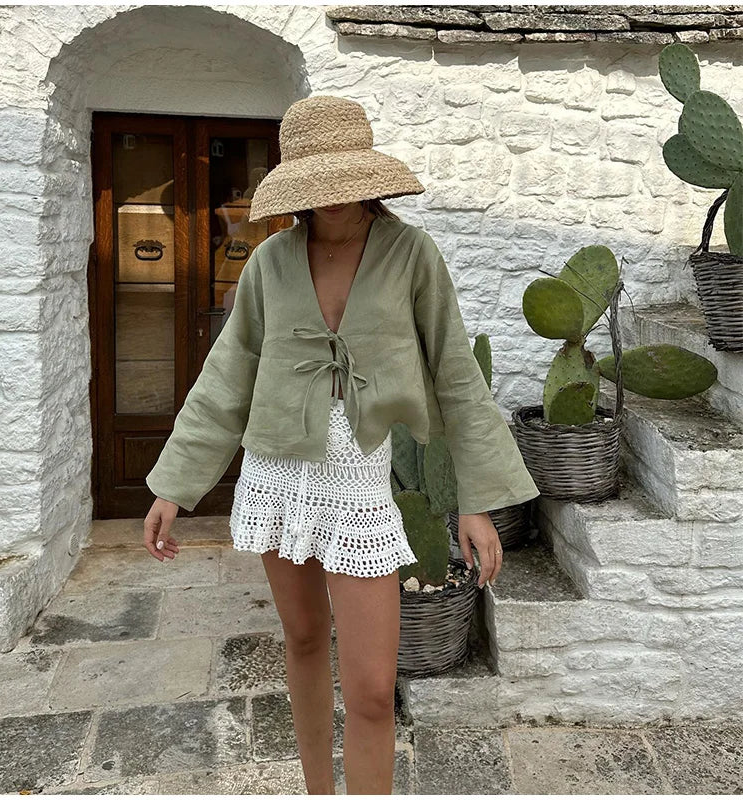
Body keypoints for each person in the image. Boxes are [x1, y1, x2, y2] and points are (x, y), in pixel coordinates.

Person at [142, 95, 539, 794]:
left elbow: (455, 373)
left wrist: (474, 502)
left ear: (366, 174)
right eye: (316, 181)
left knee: (373, 691)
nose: (331, 195)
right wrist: (175, 483)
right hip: (276, 470)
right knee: (301, 639)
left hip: (360, 479)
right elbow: (228, 373)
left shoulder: (411, 254)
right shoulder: (269, 262)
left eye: (343, 178)